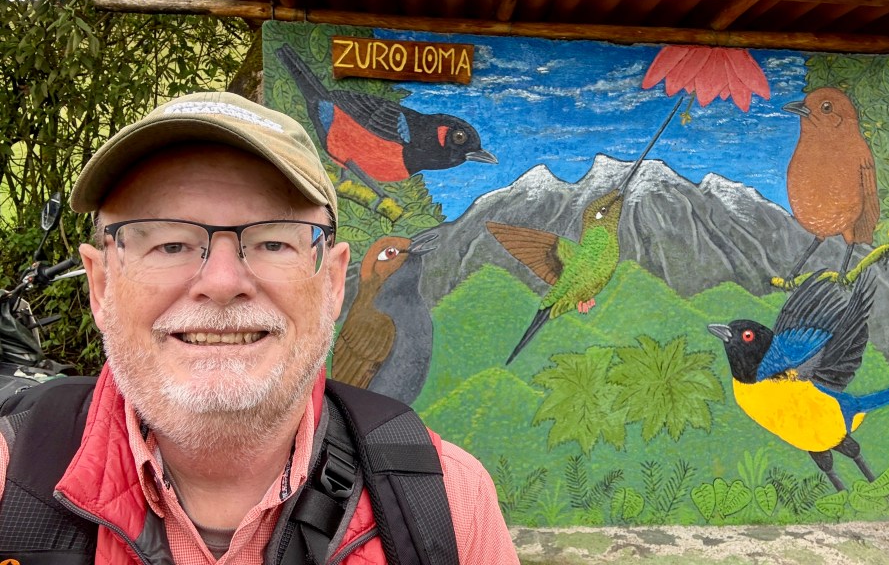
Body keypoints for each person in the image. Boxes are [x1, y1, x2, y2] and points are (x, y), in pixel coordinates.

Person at [0, 91, 519, 564]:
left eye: (274, 242)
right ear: (101, 284)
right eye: (169, 244)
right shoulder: (10, 478)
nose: (222, 282)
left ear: (334, 283)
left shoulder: (448, 503)